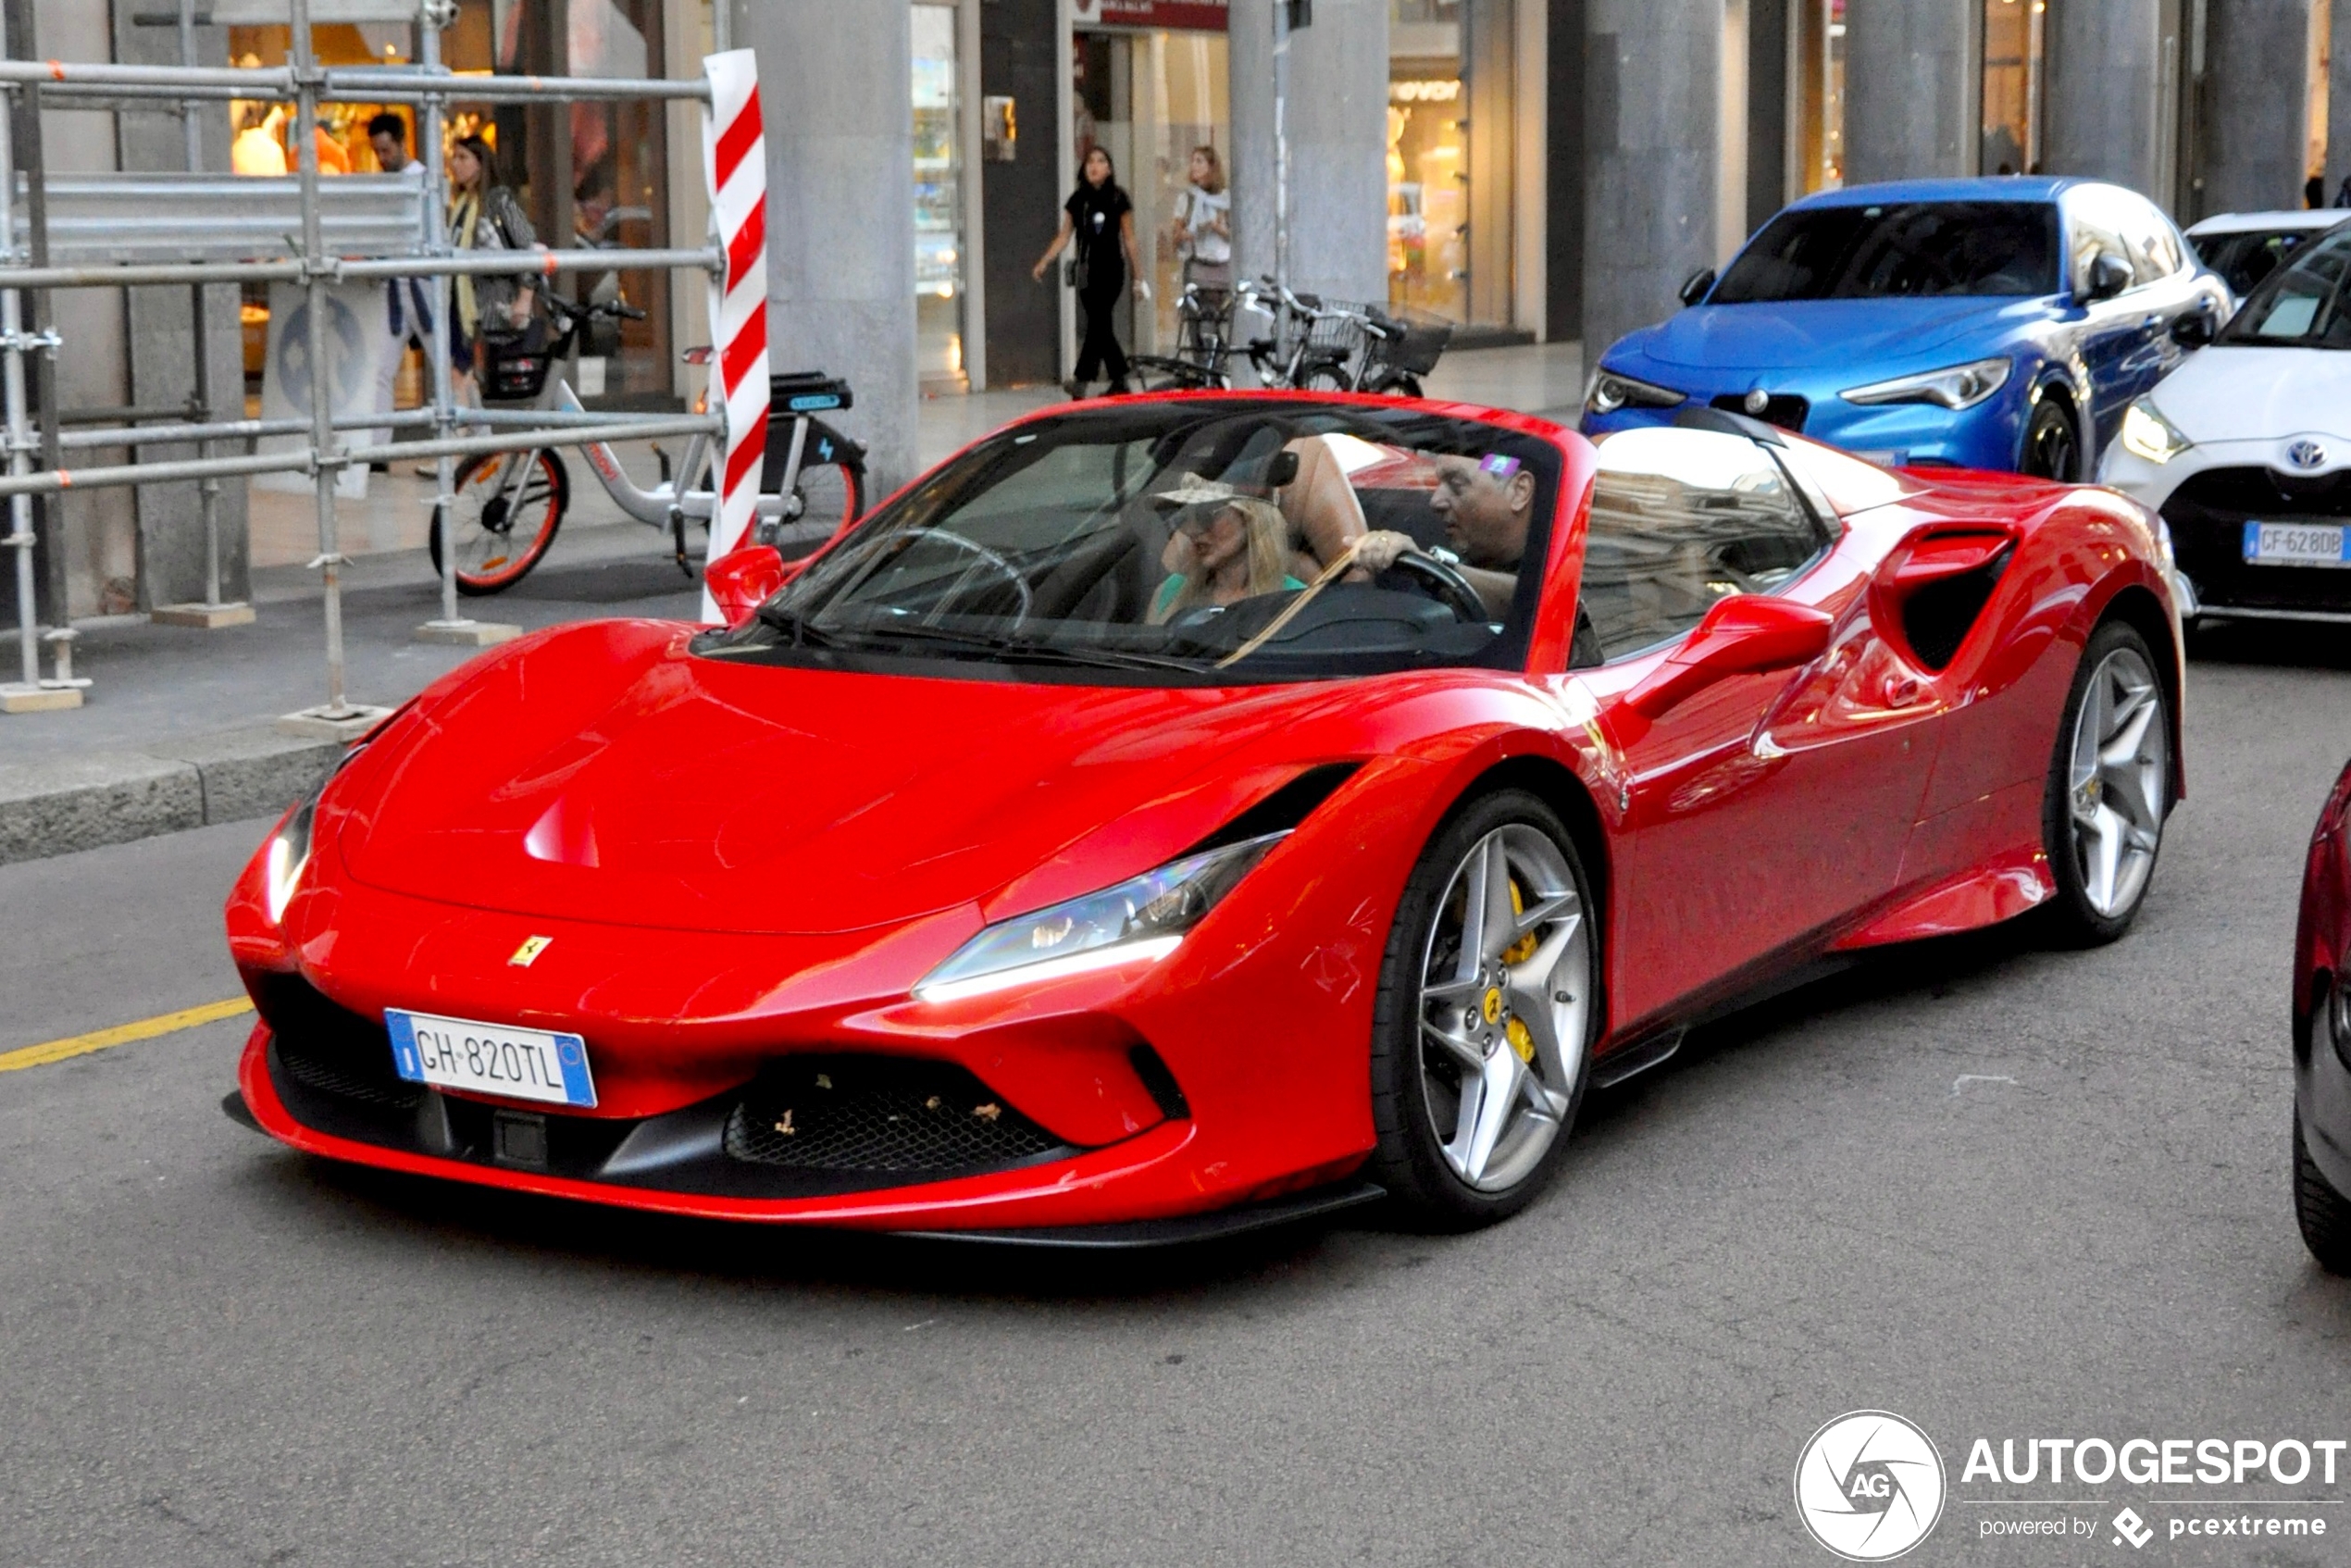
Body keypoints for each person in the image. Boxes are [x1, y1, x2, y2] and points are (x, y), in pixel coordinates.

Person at [1353, 453, 1536, 617]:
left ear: (1519, 491)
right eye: (1438, 483)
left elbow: (1534, 599)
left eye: (1457, 484)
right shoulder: (1446, 536)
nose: (1435, 501)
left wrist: (1430, 568)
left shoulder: (1558, 566)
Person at [1032, 145, 1147, 398]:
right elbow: (1064, 236)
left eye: (1101, 161)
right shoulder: (1078, 200)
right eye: (1090, 162)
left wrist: (1138, 276)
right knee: (1099, 325)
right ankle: (1118, 379)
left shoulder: (1118, 198)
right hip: (1087, 270)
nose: (1094, 166)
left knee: (1099, 321)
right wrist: (1045, 260)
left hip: (1112, 269)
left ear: (1109, 168)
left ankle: (1085, 379)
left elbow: (1129, 239)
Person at [444, 134, 538, 408]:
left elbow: (528, 246)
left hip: (492, 306)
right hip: (462, 307)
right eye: (454, 157)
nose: (455, 164)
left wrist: (524, 297)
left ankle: (472, 442)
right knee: (463, 377)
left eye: (463, 158)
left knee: (467, 378)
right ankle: (477, 442)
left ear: (481, 163)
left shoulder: (498, 199)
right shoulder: (461, 203)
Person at [365, 113, 431, 462]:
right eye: (378, 151)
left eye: (386, 150)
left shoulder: (423, 181)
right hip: (395, 285)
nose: (382, 157)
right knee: (381, 370)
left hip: (423, 284)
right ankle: (379, 452)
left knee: (451, 366)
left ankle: (476, 439)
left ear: (402, 143)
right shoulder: (387, 181)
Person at [1149, 482, 1306, 623]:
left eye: (1205, 514)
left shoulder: (1299, 602)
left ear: (1250, 517)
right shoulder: (1170, 592)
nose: (1191, 530)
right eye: (1182, 517)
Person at [1169, 144, 1232, 288]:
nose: (1193, 166)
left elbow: (1235, 237)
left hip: (1224, 266)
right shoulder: (1187, 198)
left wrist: (1216, 227)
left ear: (1211, 166)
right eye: (1192, 161)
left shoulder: (1225, 198)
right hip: (1198, 265)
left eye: (1199, 161)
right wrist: (1188, 234)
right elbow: (1176, 235)